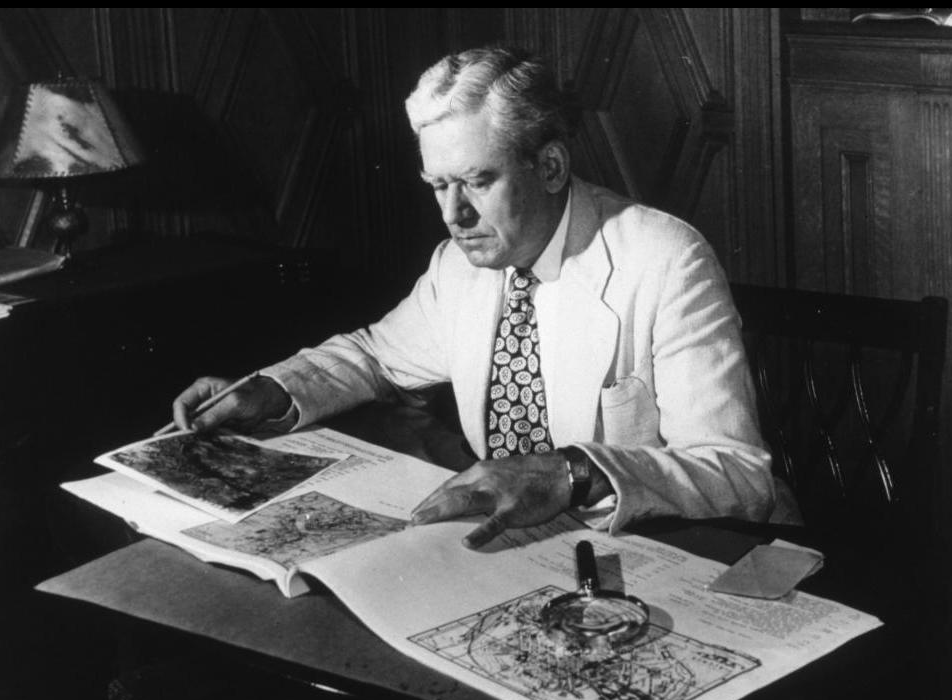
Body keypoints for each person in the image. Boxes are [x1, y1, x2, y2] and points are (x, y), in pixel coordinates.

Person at [170, 46, 800, 549]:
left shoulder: (664, 257)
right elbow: (372, 356)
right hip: (521, 552)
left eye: (476, 180)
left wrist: (568, 473)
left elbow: (737, 474)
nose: (454, 214)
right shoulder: (461, 265)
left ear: (550, 167)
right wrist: (269, 390)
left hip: (678, 549)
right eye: (438, 184)